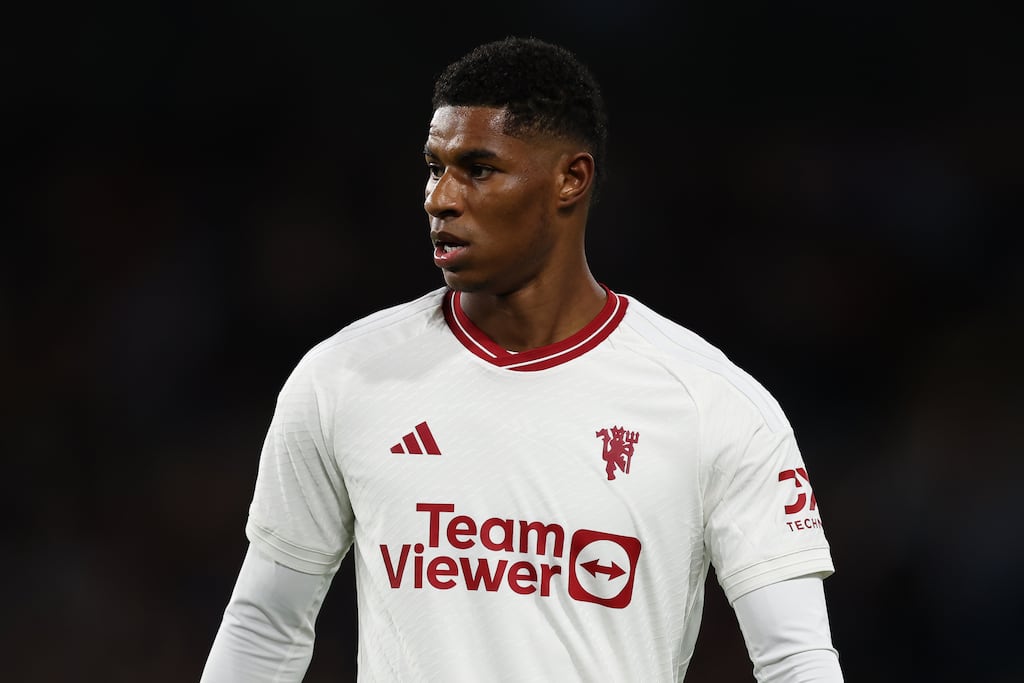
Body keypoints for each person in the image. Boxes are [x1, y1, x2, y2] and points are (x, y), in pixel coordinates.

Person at [200, 36, 844, 682]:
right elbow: (265, 625)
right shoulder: (343, 379)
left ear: (571, 179)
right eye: (434, 166)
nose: (439, 198)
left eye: (478, 169)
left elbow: (797, 661)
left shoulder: (713, 406)